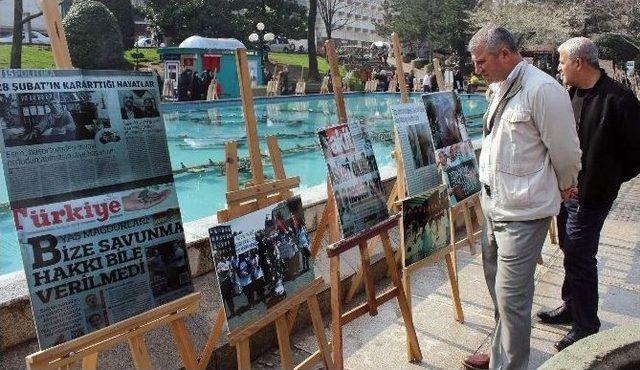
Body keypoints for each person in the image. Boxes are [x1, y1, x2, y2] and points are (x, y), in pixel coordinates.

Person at [462, 26, 582, 370]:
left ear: (504, 54)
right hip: (494, 206)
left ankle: (509, 364)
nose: (477, 69)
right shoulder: (499, 86)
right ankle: (503, 349)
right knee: (499, 290)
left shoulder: (543, 90)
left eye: (481, 61)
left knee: (513, 299)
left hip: (523, 213)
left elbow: (567, 152)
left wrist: (565, 184)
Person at [536, 37, 640, 351]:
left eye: (561, 61)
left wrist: (606, 181)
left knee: (581, 256)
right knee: (570, 249)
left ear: (579, 63)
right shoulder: (569, 95)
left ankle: (586, 326)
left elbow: (636, 154)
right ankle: (571, 305)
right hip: (565, 192)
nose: (558, 68)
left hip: (593, 196)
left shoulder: (619, 99)